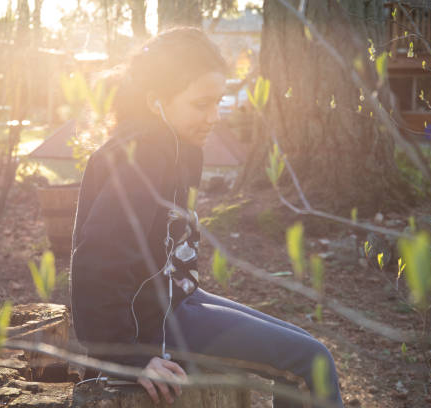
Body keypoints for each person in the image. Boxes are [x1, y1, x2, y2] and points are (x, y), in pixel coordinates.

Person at [70, 27, 344, 408]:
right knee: (311, 365)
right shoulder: (143, 155)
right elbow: (96, 262)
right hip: (150, 325)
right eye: (201, 104)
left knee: (311, 351)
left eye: (218, 101)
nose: (214, 116)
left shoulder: (179, 146)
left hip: (177, 298)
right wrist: (125, 358)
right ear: (156, 102)